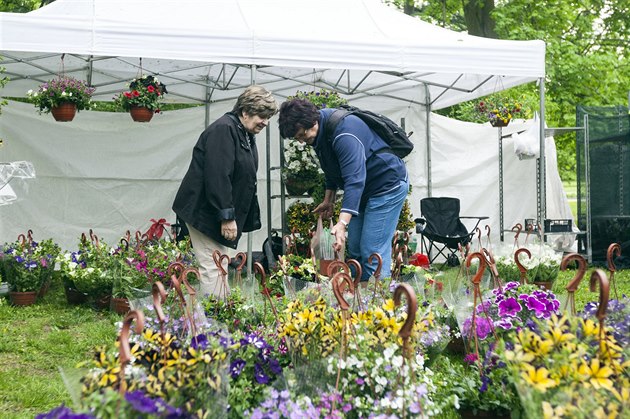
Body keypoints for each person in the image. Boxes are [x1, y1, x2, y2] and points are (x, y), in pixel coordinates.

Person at [278, 99, 409, 280]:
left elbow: (354, 180)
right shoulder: (320, 133)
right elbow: (332, 169)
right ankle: (356, 300)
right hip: (365, 190)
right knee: (354, 249)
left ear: (311, 122)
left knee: (372, 252)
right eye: (297, 138)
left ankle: (379, 301)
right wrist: (328, 200)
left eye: (302, 135)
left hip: (386, 185)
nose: (301, 141)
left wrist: (342, 224)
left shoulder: (344, 133)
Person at [173, 85, 278, 297]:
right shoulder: (224, 130)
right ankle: (215, 321)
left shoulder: (243, 132)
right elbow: (218, 176)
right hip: (205, 211)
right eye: (262, 116)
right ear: (245, 111)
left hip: (214, 211)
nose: (265, 122)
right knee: (214, 266)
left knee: (218, 263)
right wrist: (226, 216)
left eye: (268, 117)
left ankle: (221, 314)